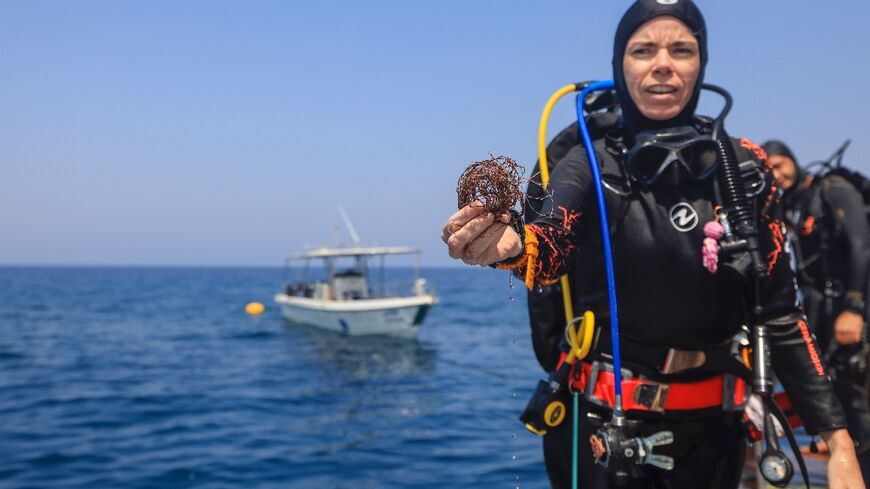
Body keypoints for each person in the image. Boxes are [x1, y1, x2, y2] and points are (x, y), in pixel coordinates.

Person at [441, 1, 865, 488]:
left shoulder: (744, 169)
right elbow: (550, 244)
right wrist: (512, 247)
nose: (662, 62)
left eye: (681, 49)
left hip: (714, 436)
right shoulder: (589, 161)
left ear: (700, 64)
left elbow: (779, 313)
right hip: (604, 429)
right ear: (621, 64)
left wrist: (839, 443)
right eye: (643, 49)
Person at [764, 139, 870, 484]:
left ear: (793, 160)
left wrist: (853, 308)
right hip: (825, 318)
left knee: (859, 404)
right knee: (842, 399)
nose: (777, 174)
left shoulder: (833, 189)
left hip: (852, 313)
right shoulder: (792, 205)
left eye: (780, 165)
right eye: (771, 170)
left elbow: (861, 245)